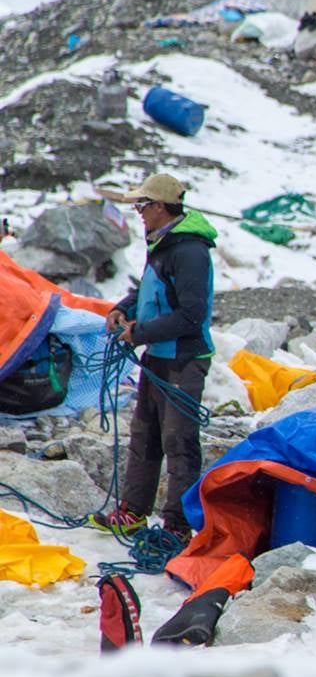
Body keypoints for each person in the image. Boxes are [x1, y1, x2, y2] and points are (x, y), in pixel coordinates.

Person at [91, 173, 217, 542]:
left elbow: (191, 315)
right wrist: (121, 309)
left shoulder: (190, 251)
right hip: (158, 357)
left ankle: (177, 527)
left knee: (179, 442)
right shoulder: (162, 243)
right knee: (145, 436)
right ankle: (133, 511)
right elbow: (150, 292)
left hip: (184, 359)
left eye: (142, 205)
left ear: (161, 207)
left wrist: (140, 333)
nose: (138, 212)